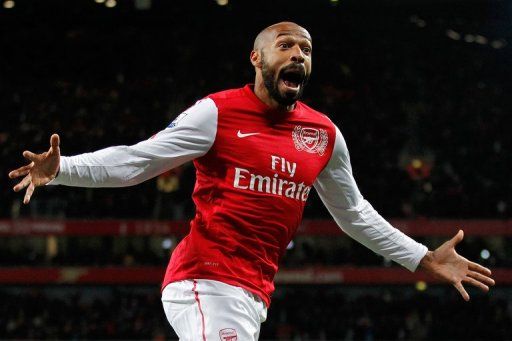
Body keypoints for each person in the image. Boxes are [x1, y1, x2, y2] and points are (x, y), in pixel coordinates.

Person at [9, 22, 495, 340]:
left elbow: (354, 214)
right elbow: (138, 162)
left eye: (306, 48)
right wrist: (63, 169)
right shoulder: (216, 113)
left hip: (254, 293)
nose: (299, 54)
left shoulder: (323, 134)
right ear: (258, 59)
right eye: (285, 45)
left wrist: (421, 257)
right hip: (204, 279)